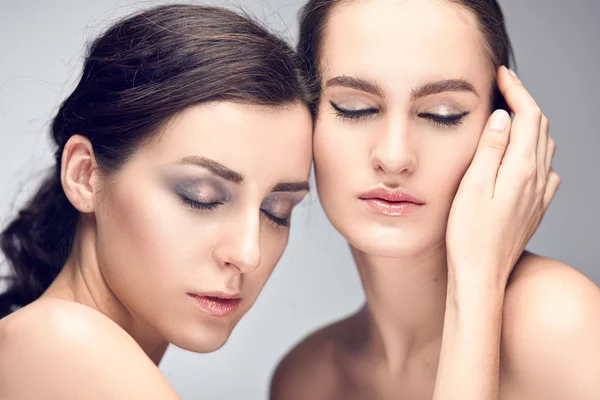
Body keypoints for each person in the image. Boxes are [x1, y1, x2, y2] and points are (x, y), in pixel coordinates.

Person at [271, 0, 600, 399]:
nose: (394, 157)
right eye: (354, 108)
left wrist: (479, 284)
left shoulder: (561, 324)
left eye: (442, 114)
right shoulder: (307, 380)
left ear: (506, 130)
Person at [0, 4, 313, 399]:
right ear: (84, 175)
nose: (248, 254)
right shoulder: (59, 339)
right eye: (201, 197)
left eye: (276, 211)